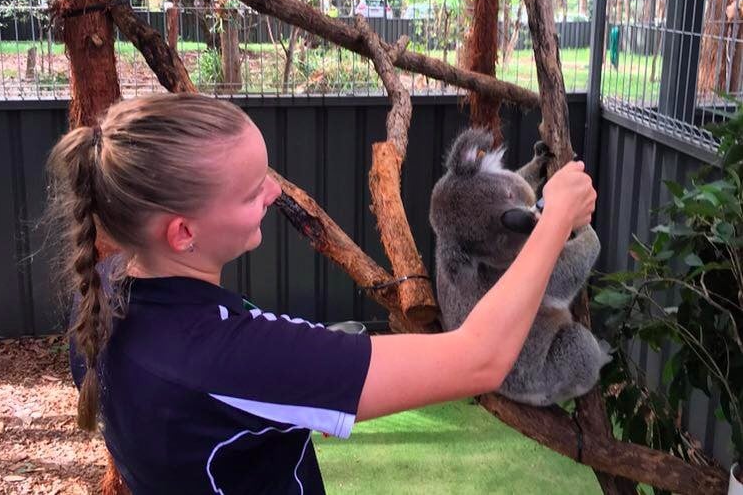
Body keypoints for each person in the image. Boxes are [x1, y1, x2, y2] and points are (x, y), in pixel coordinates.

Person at [46, 92, 596, 495]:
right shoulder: (233, 358)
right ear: (183, 233)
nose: (273, 191)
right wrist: (553, 223)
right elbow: (480, 358)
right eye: (249, 190)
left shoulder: (100, 291)